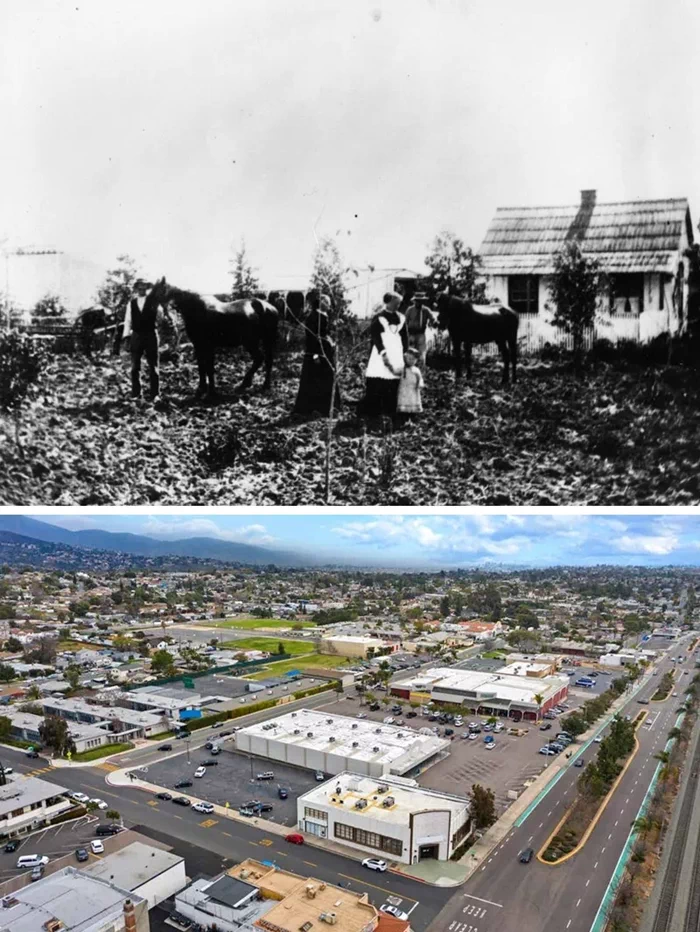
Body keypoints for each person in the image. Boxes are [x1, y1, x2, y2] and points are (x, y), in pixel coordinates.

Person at [292, 293, 341, 417]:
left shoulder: (324, 316)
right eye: (327, 302)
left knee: (327, 379)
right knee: (315, 380)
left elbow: (325, 335)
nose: (329, 305)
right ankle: (314, 408)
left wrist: (332, 343)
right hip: (316, 353)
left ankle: (327, 407)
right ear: (321, 302)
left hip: (325, 352)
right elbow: (312, 338)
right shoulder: (314, 317)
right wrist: (315, 355)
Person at [362, 291, 408, 417]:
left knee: (394, 378)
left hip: (396, 351)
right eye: (396, 303)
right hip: (381, 351)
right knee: (379, 376)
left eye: (399, 303)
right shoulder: (379, 317)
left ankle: (390, 408)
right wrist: (383, 353)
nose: (398, 305)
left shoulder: (401, 318)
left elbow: (405, 338)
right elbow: (375, 337)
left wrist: (406, 353)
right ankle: (374, 409)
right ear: (388, 302)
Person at [123, 279, 161, 402]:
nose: (142, 289)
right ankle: (136, 393)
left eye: (144, 287)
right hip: (137, 335)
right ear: (136, 288)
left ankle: (155, 394)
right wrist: (126, 337)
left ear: (147, 288)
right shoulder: (132, 303)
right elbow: (128, 321)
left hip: (150, 335)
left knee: (153, 366)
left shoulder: (154, 302)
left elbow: (160, 317)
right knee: (135, 366)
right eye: (139, 287)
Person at [405, 292, 432, 366]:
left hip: (421, 334)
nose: (419, 303)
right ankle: (409, 369)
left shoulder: (426, 310)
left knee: (421, 354)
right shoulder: (410, 310)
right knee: (410, 354)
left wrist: (434, 322)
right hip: (411, 334)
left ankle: (421, 371)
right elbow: (405, 322)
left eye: (421, 301)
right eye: (417, 301)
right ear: (414, 301)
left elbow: (432, 319)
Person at [397, 349, 424, 418]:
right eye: (410, 359)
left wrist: (420, 384)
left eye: (414, 359)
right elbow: (396, 373)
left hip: (413, 388)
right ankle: (403, 413)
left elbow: (420, 378)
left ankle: (412, 413)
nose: (412, 361)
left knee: (413, 399)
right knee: (403, 399)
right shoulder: (402, 369)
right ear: (405, 358)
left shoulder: (416, 370)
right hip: (404, 388)